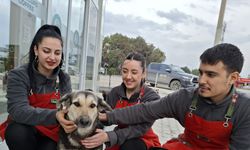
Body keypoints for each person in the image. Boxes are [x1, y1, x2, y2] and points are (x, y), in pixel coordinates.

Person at [98, 43, 250, 150]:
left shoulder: (244, 109)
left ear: (233, 78)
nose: (201, 80)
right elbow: (144, 111)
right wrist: (105, 117)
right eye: (201, 72)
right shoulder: (185, 97)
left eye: (211, 74)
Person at [0, 24, 72, 150]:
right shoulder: (19, 75)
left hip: (52, 132)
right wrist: (55, 115)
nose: (52, 57)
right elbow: (18, 111)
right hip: (26, 128)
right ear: (36, 50)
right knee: (17, 132)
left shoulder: (64, 79)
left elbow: (67, 110)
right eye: (46, 51)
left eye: (57, 53)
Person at [81, 52, 161, 150]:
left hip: (142, 140)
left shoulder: (152, 98)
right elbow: (102, 118)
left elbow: (139, 129)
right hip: (119, 137)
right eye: (125, 71)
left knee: (130, 146)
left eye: (134, 72)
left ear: (144, 74)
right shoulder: (115, 92)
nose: (128, 76)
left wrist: (109, 136)